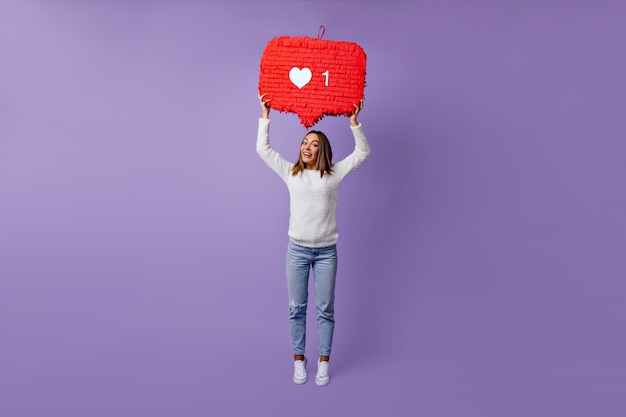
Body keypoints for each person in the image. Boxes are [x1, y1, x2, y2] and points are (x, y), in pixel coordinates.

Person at [256, 93, 370, 386]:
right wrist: (265, 115)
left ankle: (323, 361)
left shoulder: (333, 174)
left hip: (326, 253)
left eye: (314, 143)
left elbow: (362, 153)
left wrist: (354, 123)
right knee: (296, 307)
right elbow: (263, 149)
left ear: (323, 150)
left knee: (325, 309)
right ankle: (298, 359)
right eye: (305, 142)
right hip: (296, 251)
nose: (307, 146)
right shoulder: (291, 173)